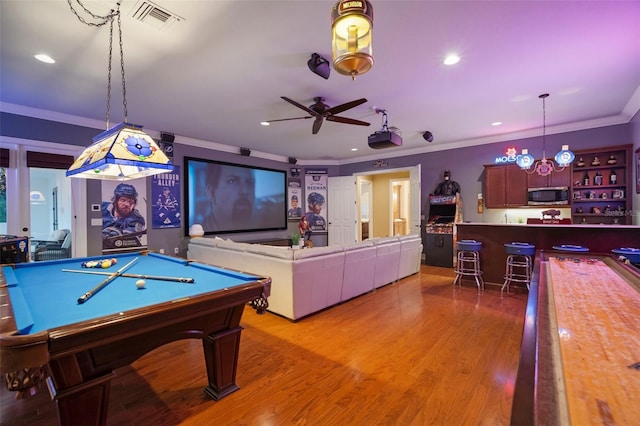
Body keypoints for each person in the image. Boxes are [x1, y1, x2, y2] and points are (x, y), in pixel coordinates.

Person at [204, 163, 256, 231]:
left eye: (249, 182)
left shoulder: (260, 226)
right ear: (211, 193)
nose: (244, 191)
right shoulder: (199, 237)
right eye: (232, 181)